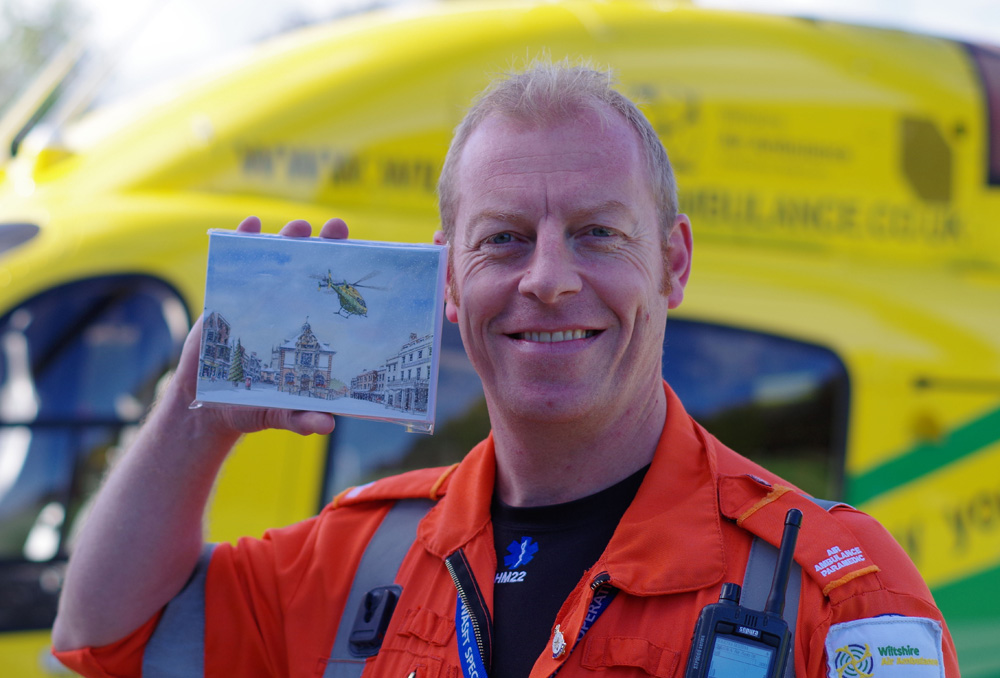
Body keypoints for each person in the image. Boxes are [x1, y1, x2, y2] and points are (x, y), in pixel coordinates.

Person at [52, 63, 959, 677]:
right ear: (449, 281)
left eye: (599, 233)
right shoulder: (363, 557)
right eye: (506, 240)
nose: (550, 280)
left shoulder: (834, 588)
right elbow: (104, 637)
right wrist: (194, 412)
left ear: (674, 263)